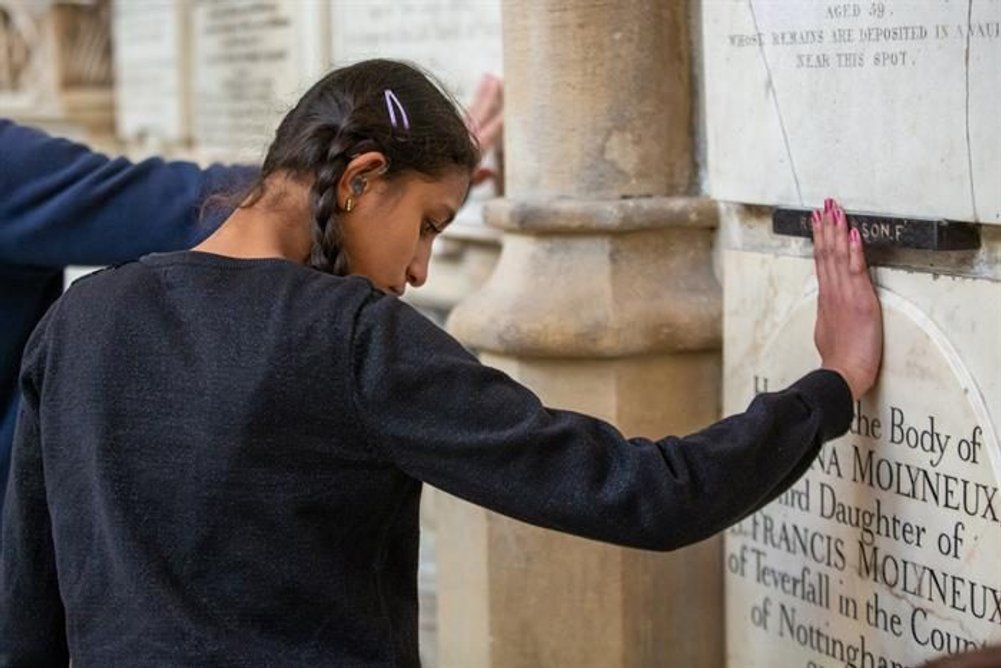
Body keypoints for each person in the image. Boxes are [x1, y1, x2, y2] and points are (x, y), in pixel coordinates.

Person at [0, 59, 882, 665]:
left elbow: (27, 613)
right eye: (427, 223)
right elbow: (641, 493)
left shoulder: (81, 320)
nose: (419, 269)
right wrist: (828, 388)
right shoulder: (349, 338)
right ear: (358, 180)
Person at [0, 75, 504, 514]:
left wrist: (396, 180)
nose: (418, 273)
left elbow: (146, 203)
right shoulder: (83, 324)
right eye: (426, 226)